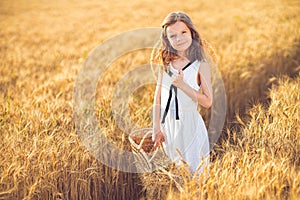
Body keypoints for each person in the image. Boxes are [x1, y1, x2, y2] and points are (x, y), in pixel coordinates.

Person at [152, 11, 213, 173]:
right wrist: (156, 127)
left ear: (192, 33)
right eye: (173, 36)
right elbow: (157, 97)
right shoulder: (165, 63)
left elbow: (208, 101)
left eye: (183, 32)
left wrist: (183, 85)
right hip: (168, 127)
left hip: (190, 127)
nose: (179, 39)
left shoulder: (201, 65)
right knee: (173, 176)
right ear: (167, 40)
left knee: (194, 176)